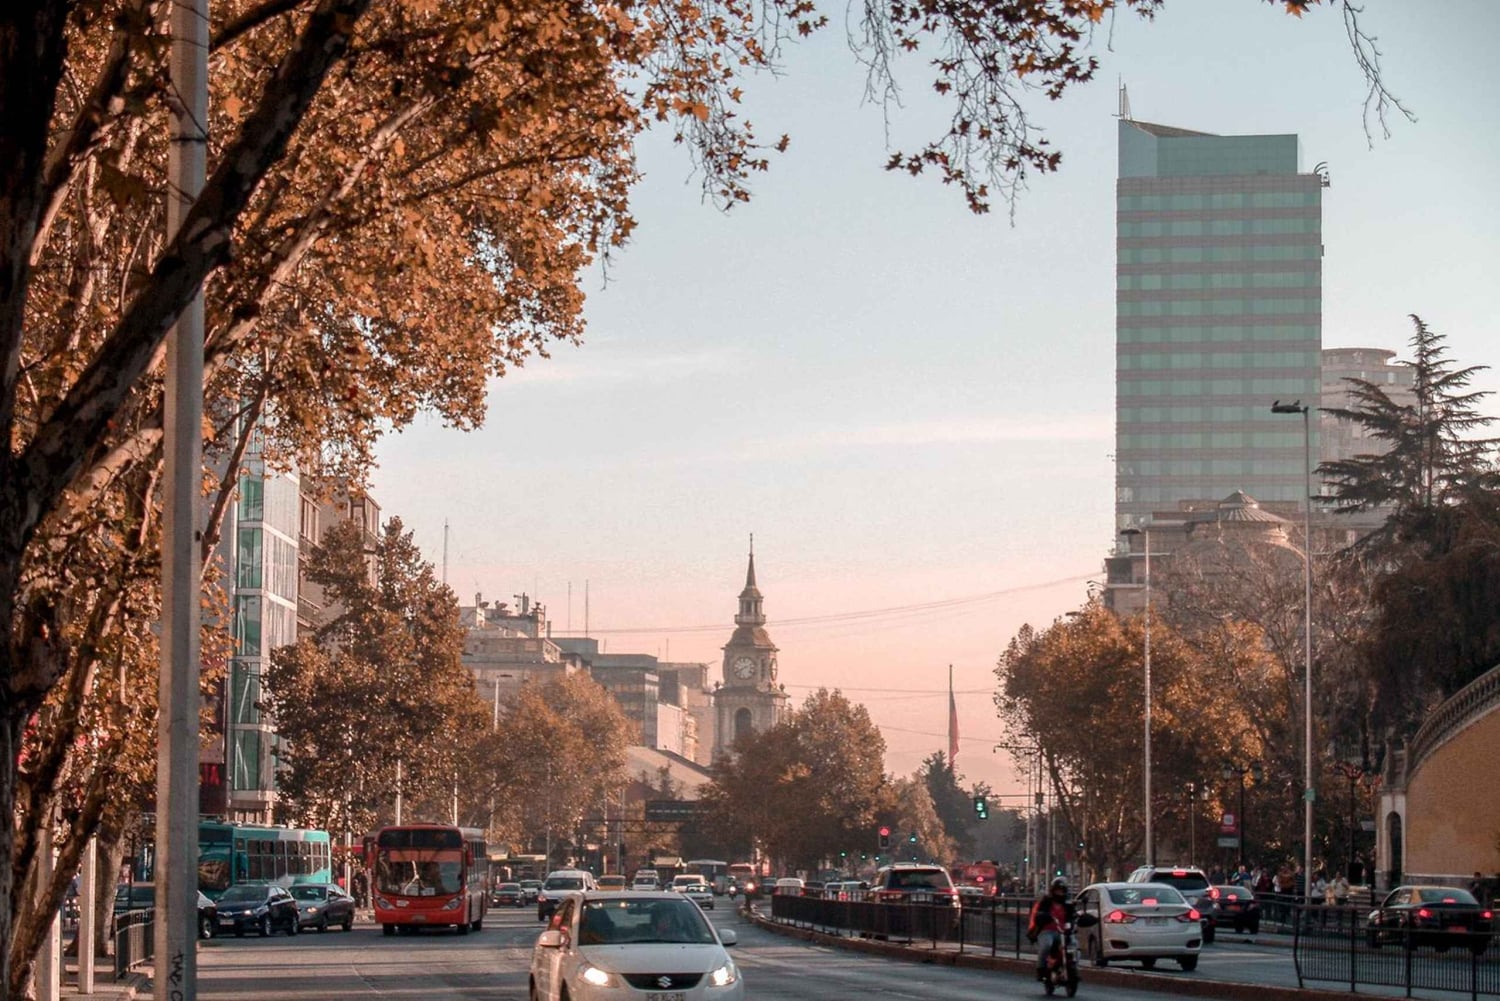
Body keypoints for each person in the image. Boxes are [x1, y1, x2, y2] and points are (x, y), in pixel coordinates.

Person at [1027, 878, 1077, 982]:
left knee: (1074, 944)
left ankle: (1073, 966)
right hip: (1047, 931)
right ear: (1053, 890)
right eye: (1057, 890)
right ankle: (1040, 969)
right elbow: (1038, 914)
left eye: (1062, 890)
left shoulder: (1068, 904)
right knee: (1046, 945)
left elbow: (1073, 916)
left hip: (1063, 932)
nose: (1060, 893)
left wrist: (1078, 918)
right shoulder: (1046, 902)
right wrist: (1044, 916)